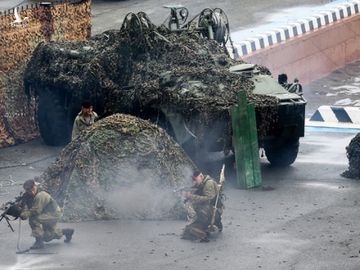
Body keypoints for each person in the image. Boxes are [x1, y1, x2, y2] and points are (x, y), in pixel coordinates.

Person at [20, 180, 74, 249]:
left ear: (35, 186)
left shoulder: (41, 195)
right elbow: (26, 205)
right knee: (47, 237)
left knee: (34, 219)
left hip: (53, 213)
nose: (32, 192)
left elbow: (36, 210)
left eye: (32, 189)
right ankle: (67, 232)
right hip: (45, 213)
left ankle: (38, 242)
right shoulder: (28, 194)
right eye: (29, 191)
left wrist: (24, 214)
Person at [181, 171, 223, 242]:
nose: (195, 182)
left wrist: (191, 196)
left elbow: (209, 199)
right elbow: (197, 189)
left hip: (214, 210)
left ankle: (213, 222)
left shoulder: (209, 183)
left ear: (201, 176)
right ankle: (215, 223)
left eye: (196, 180)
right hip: (210, 209)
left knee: (198, 212)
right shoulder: (202, 182)